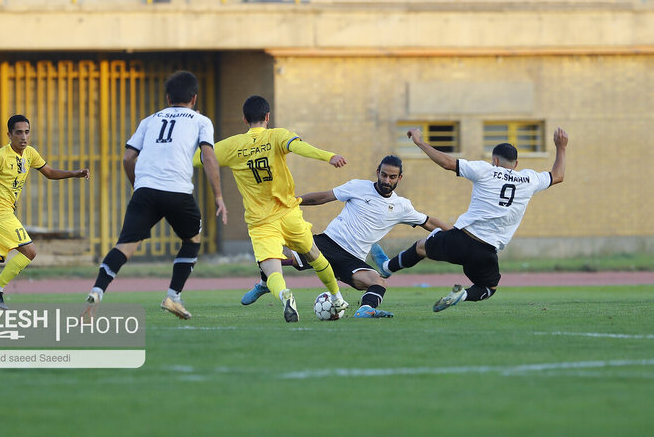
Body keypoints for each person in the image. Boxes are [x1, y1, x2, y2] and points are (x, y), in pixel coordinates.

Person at [371, 127, 568, 312]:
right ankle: (463, 295)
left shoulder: (486, 170)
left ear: (495, 161)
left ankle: (387, 268)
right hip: (487, 251)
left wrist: (420, 143)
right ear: (516, 165)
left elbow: (447, 163)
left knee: (422, 247)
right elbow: (558, 176)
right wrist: (561, 147)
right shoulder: (529, 179)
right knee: (489, 287)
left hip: (461, 239)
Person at [84, 70, 227, 320]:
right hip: (178, 192)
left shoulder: (149, 120)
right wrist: (219, 197)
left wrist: (137, 186)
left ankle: (97, 290)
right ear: (194, 98)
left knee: (125, 246)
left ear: (168, 97)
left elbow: (128, 157)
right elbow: (208, 157)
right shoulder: (201, 120)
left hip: (145, 191)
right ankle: (173, 295)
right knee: (192, 240)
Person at [195, 95, 348, 323]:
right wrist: (329, 157)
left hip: (260, 221)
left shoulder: (232, 146)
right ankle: (337, 298)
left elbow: (199, 159)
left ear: (244, 119)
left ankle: (285, 295)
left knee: (272, 270)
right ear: (267, 117)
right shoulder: (277, 136)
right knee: (315, 256)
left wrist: (195, 136)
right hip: (289, 214)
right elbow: (299, 147)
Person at [240, 155, 451, 318]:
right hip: (328, 242)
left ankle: (366, 310)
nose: (387, 180)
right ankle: (264, 283)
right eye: (384, 175)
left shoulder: (402, 206)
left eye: (392, 177)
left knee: (377, 282)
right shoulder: (358, 186)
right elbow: (323, 197)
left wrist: (456, 235)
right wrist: (294, 201)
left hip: (353, 259)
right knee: (282, 256)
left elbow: (429, 222)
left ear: (399, 178)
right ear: (377, 172)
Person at [0, 114, 90, 312]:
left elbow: (49, 172)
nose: (24, 136)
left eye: (27, 132)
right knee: (30, 251)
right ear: (9, 134)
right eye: (19, 132)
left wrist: (74, 173)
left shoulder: (30, 153)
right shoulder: (0, 156)